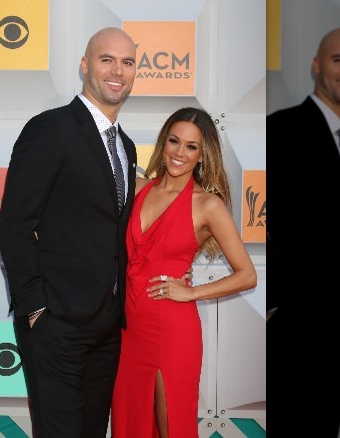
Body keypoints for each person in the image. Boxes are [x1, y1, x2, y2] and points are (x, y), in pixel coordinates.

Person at [0, 27, 139, 437]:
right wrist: (36, 307)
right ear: (84, 65)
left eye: (127, 62)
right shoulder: (51, 129)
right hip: (56, 321)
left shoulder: (126, 147)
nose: (117, 70)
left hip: (107, 326)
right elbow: (14, 225)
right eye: (106, 59)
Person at [110, 107, 257, 437]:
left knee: (173, 426)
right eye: (174, 141)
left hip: (172, 330)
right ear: (164, 143)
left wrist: (191, 291)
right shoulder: (137, 190)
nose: (179, 152)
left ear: (203, 154)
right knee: (128, 425)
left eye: (191, 146)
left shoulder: (208, 205)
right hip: (127, 330)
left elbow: (247, 274)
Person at [265, 27, 340, 436]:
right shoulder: (283, 129)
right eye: (338, 59)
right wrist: (278, 303)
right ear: (316, 65)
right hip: (293, 327)